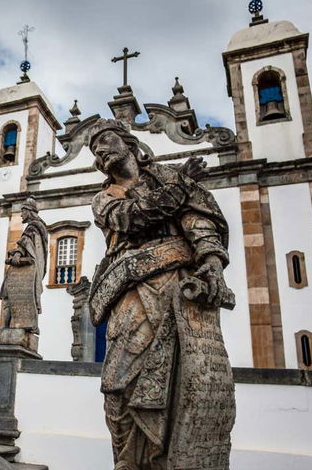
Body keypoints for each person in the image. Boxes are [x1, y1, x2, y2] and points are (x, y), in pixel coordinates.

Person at [88, 119, 235, 469]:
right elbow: (133, 218)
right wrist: (183, 183)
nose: (101, 150)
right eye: (94, 150)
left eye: (106, 140)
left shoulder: (170, 178)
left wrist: (213, 263)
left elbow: (199, 223)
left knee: (183, 382)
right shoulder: (104, 198)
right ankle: (127, 461)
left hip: (178, 291)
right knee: (118, 385)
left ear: (127, 142)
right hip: (131, 293)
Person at [0, 197, 48, 334]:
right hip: (28, 270)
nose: (21, 215)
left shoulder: (33, 227)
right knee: (19, 296)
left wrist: (18, 253)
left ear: (29, 211)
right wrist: (18, 252)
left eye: (22, 211)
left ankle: (6, 328)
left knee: (9, 297)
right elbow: (27, 243)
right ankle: (11, 327)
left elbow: (26, 242)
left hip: (26, 270)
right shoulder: (38, 227)